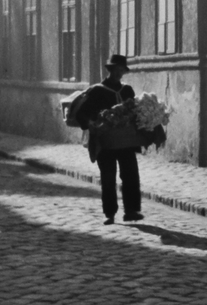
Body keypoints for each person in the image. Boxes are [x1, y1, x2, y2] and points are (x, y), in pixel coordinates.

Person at [69, 54, 164, 225]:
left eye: (121, 71)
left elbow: (136, 113)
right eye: (116, 70)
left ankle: (131, 211)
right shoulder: (97, 91)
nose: (119, 74)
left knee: (131, 175)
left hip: (126, 142)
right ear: (110, 70)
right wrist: (91, 123)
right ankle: (110, 213)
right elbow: (81, 114)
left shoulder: (127, 91)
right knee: (108, 177)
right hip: (105, 143)